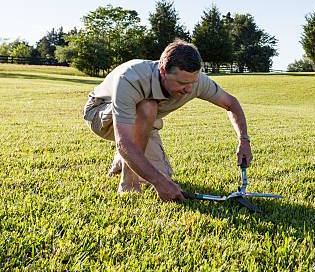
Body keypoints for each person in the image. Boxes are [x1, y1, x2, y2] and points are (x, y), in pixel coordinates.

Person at [82, 39, 252, 202]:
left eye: (193, 82)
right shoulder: (131, 78)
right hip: (100, 113)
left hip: (142, 122)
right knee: (148, 107)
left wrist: (243, 140)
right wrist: (158, 183)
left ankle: (123, 160)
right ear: (163, 71)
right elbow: (124, 141)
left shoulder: (195, 80)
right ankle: (128, 183)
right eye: (182, 83)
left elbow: (231, 103)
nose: (189, 89)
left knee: (163, 176)